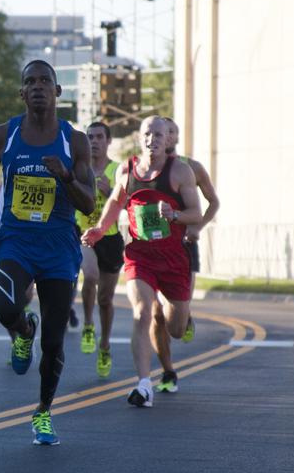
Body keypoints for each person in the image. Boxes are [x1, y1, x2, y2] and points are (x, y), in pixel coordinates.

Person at [0, 59, 95, 445]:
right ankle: (23, 330)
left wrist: (66, 176)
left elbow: (89, 204)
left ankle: (43, 411)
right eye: (30, 81)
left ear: (58, 92)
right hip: (16, 241)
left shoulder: (74, 141)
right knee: (6, 309)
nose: (38, 86)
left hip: (59, 247)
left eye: (46, 81)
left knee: (55, 342)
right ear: (22, 93)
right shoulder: (2, 135)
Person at [83, 116, 202, 408]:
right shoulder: (128, 169)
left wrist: (174, 215)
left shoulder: (181, 172)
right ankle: (144, 385)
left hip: (174, 258)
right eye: (148, 133)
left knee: (175, 328)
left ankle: (183, 316)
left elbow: (196, 213)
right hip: (140, 255)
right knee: (141, 311)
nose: (154, 139)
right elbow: (114, 202)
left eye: (159, 134)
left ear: (168, 140)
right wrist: (100, 229)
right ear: (140, 138)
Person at [148, 117, 221, 393]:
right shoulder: (144, 167)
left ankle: (184, 314)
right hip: (150, 249)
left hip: (183, 246)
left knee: (174, 321)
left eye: (170, 132)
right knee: (154, 313)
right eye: (157, 132)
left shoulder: (191, 168)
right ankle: (167, 371)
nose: (163, 137)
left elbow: (214, 202)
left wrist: (197, 227)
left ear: (174, 138)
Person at [74, 122, 124, 378]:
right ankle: (88, 325)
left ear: (108, 141)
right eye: (90, 137)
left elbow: (129, 202)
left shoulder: (117, 171)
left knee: (106, 299)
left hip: (111, 238)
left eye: (99, 137)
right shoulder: (80, 168)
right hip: (83, 233)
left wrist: (110, 192)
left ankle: (105, 345)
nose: (94, 141)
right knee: (90, 275)